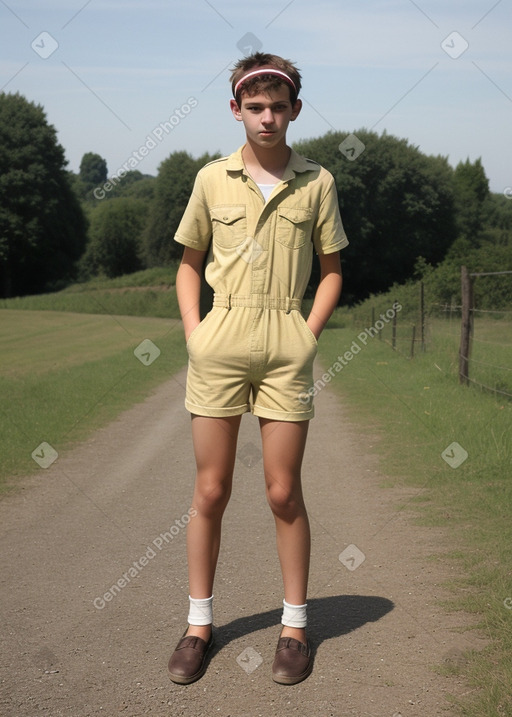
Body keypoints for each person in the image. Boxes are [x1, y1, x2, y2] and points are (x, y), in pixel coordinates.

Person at [167, 51, 348, 686]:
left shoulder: (319, 182)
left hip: (284, 341)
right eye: (255, 107)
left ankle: (294, 628)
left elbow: (332, 271)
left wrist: (304, 333)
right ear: (237, 110)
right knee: (211, 490)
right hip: (220, 338)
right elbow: (190, 263)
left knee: (282, 491)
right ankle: (198, 624)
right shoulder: (211, 179)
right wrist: (197, 333)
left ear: (295, 109)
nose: (267, 118)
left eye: (278, 107)